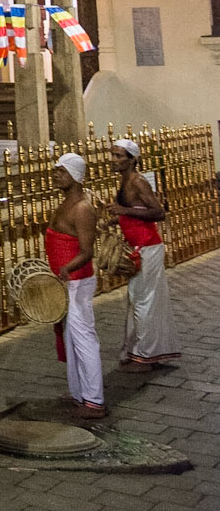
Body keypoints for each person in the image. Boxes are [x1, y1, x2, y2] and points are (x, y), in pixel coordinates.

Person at [46, 152, 106, 418]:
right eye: (56, 170)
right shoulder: (65, 203)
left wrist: (66, 268)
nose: (56, 174)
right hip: (66, 280)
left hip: (77, 281)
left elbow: (87, 251)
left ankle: (95, 400)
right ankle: (79, 392)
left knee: (84, 339)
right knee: (71, 337)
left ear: (75, 175)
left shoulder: (83, 208)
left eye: (62, 171)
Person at [110, 138, 179, 369]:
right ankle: (137, 352)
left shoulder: (138, 182)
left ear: (132, 159)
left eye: (119, 156)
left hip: (147, 247)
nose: (114, 160)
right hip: (137, 247)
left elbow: (159, 212)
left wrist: (123, 210)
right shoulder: (124, 181)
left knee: (144, 303)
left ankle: (145, 357)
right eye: (114, 155)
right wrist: (116, 217)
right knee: (137, 300)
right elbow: (134, 212)